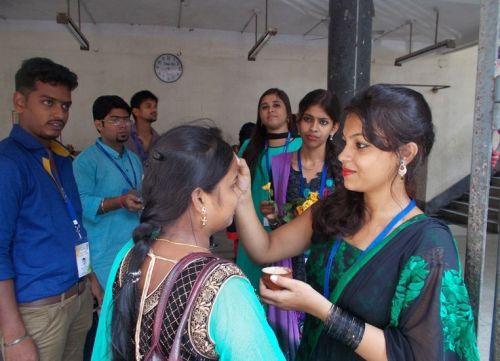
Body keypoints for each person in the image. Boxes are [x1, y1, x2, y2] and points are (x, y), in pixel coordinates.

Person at [234, 84, 480, 361]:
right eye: (345, 142)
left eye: (360, 145)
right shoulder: (333, 210)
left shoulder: (428, 245)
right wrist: (241, 197)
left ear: (405, 153)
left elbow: (414, 354)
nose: (342, 155)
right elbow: (265, 248)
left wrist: (320, 309)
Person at [92, 125, 285, 361]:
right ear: (200, 198)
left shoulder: (130, 254)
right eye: (233, 184)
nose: (239, 193)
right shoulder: (224, 287)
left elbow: (104, 350)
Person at [0, 57, 102, 361]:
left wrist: (89, 276)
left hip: (78, 298)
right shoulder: (8, 164)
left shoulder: (61, 159)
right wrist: (14, 334)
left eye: (66, 105)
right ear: (20, 101)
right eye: (48, 102)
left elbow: (73, 227)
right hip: (38, 312)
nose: (59, 113)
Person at [260, 89, 341, 360]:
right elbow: (277, 226)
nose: (313, 128)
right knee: (289, 335)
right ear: (297, 121)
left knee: (325, 331)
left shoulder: (343, 168)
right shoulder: (280, 164)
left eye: (323, 121)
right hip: (289, 262)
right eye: (308, 119)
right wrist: (271, 218)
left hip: (330, 264)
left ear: (334, 127)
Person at [73, 95, 143, 288]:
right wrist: (120, 201)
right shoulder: (85, 162)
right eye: (115, 120)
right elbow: (80, 203)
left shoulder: (134, 159)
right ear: (99, 124)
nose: (123, 125)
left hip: (134, 246)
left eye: (126, 120)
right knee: (111, 310)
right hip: (104, 253)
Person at [237, 88, 302, 289]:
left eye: (276, 105)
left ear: (288, 114)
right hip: (251, 221)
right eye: (264, 107)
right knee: (251, 283)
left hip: (287, 226)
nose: (270, 110)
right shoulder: (249, 146)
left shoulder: (300, 145)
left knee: (281, 283)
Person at [227, 121, 256, 259]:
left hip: (237, 201)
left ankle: (238, 257)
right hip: (252, 200)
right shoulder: (254, 148)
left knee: (238, 239)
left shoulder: (240, 152)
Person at [124, 90, 159, 162]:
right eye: (148, 106)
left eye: (155, 106)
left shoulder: (159, 140)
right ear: (136, 111)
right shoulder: (124, 137)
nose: (154, 110)